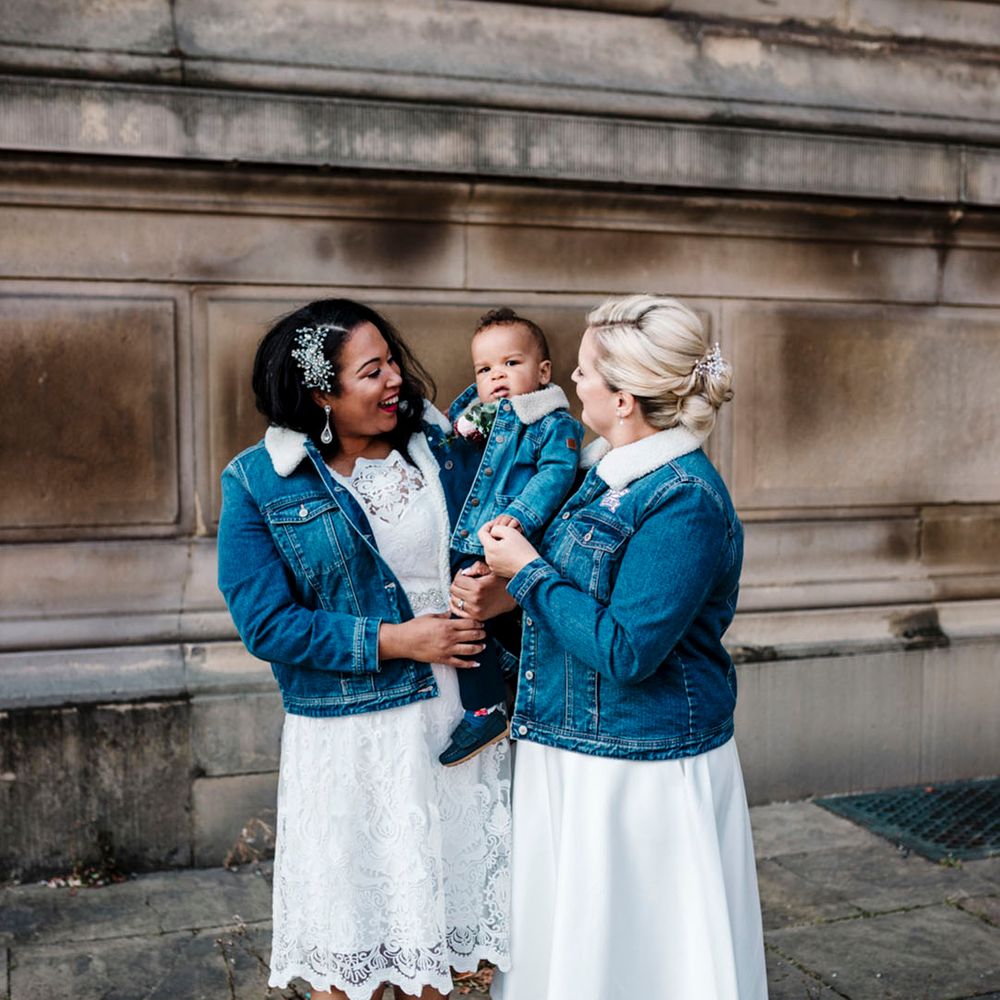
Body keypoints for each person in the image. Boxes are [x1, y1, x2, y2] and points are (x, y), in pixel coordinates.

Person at [457, 294, 768, 999]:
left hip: (639, 764)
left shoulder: (683, 498)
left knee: (634, 961)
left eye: (584, 371)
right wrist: (504, 589)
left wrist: (527, 572)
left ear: (624, 398)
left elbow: (628, 649)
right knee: (572, 956)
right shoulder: (602, 469)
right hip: (572, 744)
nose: (570, 380)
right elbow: (580, 593)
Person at [216, 299, 512, 1000]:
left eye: (392, 364)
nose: (395, 384)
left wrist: (501, 596)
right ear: (320, 391)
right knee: (351, 954)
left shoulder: (446, 448)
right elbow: (268, 625)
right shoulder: (258, 481)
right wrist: (396, 639)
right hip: (350, 739)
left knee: (447, 955)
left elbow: (516, 542)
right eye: (371, 372)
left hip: (454, 720)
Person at [440, 307, 583, 767]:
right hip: (470, 537)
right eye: (485, 369)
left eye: (511, 363)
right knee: (467, 616)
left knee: (488, 615)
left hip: (512, 539)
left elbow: (555, 474)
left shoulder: (551, 423)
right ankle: (493, 694)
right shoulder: (476, 421)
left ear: (543, 373)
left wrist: (518, 517)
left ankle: (489, 705)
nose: (497, 375)